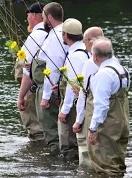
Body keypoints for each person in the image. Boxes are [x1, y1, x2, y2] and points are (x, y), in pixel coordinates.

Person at [87, 37, 130, 175]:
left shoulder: (103, 74)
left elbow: (101, 106)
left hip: (107, 126)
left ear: (95, 56)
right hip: (122, 122)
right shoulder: (122, 70)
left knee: (105, 167)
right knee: (118, 162)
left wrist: (93, 129)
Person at [30, 2, 68, 154]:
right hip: (60, 89)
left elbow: (52, 69)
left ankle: (57, 167)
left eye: (44, 17)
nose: (43, 21)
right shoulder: (62, 33)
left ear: (50, 17)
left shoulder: (55, 38)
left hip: (53, 91)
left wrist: (45, 97)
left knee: (52, 133)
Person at [57, 18, 89, 158]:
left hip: (73, 108)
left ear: (65, 35)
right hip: (81, 104)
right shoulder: (85, 51)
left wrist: (64, 111)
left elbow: (72, 87)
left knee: (68, 146)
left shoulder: (75, 56)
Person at [72, 27, 104, 168]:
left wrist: (78, 120)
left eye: (85, 42)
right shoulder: (113, 61)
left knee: (86, 154)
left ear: (90, 42)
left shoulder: (90, 63)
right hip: (108, 115)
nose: (84, 45)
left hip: (92, 115)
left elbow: (84, 95)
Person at [16, 2, 47, 142]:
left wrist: (21, 96)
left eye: (28, 15)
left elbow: (27, 71)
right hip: (49, 89)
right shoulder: (55, 34)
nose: (27, 19)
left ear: (33, 15)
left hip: (33, 89)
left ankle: (37, 158)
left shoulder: (36, 36)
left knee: (36, 129)